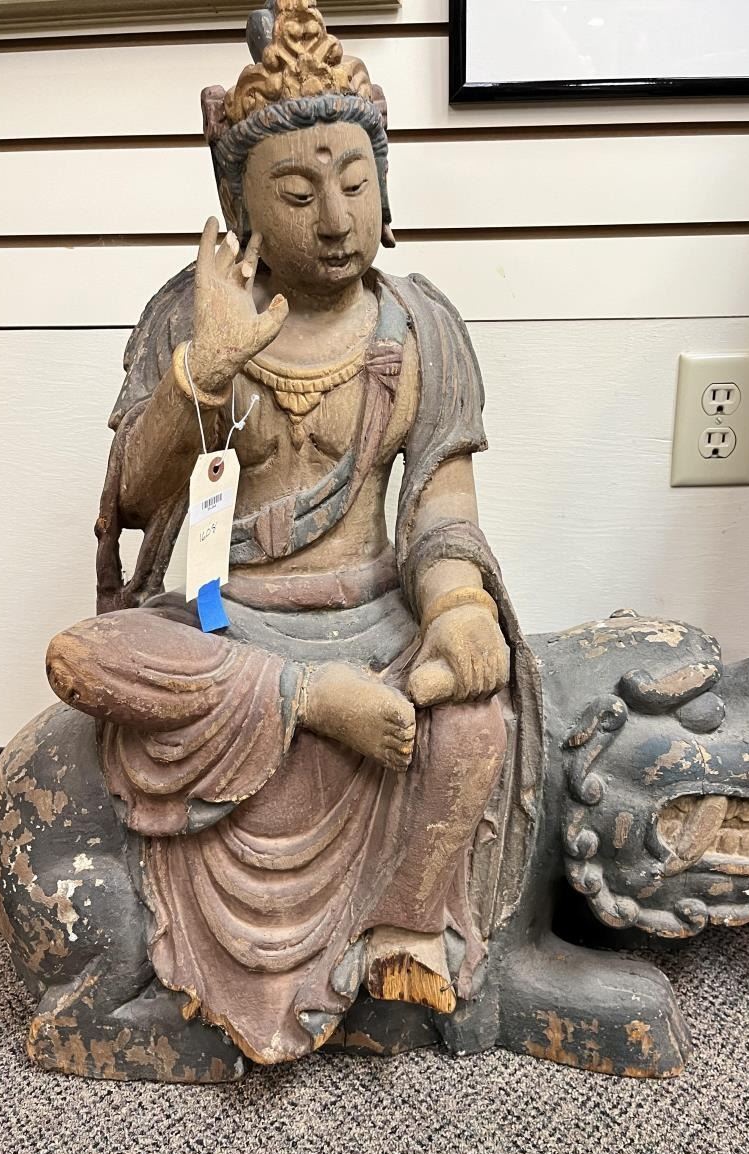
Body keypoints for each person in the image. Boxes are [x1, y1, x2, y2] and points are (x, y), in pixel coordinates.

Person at [37, 0, 534, 1065]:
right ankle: (310, 704)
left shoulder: (420, 325)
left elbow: (441, 505)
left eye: (355, 184)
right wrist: (206, 370)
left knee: (476, 721)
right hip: (229, 627)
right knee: (83, 655)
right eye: (299, 195)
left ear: (385, 186)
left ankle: (403, 935)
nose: (336, 220)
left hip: (371, 615)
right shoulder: (189, 315)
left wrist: (456, 607)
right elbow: (135, 500)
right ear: (240, 202)